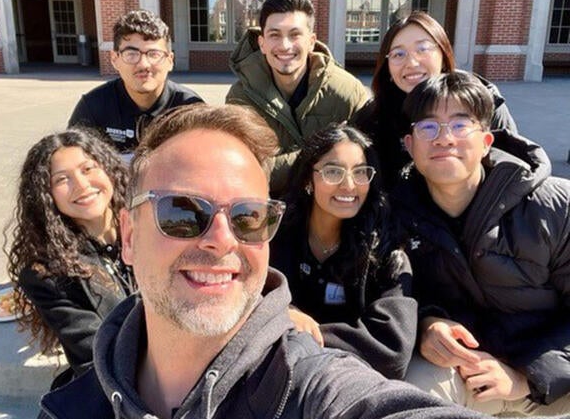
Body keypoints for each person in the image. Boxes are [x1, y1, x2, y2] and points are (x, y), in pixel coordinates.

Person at [39, 104, 512, 419]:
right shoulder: (68, 407)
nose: (222, 240)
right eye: (182, 213)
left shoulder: (306, 386)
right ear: (128, 234)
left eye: (248, 217)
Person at [391, 71, 570, 416]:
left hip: (549, 376)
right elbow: (396, 293)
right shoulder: (397, 211)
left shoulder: (555, 206)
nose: (444, 139)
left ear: (487, 141)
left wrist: (524, 378)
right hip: (463, 370)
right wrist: (426, 324)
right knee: (406, 397)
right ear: (410, 145)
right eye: (428, 127)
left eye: (460, 126)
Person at [270, 122, 416, 379]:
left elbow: (391, 352)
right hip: (280, 378)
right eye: (333, 171)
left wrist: (302, 333)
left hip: (351, 382)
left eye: (361, 172)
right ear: (308, 179)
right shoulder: (276, 237)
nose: (349, 185)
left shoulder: (386, 252)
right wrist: (285, 312)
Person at [5, 130, 135, 388]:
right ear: (46, 196)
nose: (82, 185)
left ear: (109, 168)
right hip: (116, 387)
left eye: (88, 168)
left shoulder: (152, 227)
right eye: (62, 179)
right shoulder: (46, 274)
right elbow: (97, 353)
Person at [352, 11, 518, 189]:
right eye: (398, 54)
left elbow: (511, 173)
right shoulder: (373, 116)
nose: (412, 63)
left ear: (443, 53)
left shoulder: (483, 104)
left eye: (422, 49)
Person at [226, 0, 368, 195]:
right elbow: (243, 171)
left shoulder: (348, 93)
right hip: (268, 211)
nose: (285, 46)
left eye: (295, 35)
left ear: (311, 42)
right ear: (262, 43)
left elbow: (362, 168)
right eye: (275, 35)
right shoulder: (241, 97)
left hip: (332, 212)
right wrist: (321, 154)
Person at [68, 9, 203, 153]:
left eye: (154, 54)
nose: (143, 64)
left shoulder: (190, 109)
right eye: (131, 54)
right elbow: (73, 162)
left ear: (170, 61)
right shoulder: (93, 107)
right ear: (114, 59)